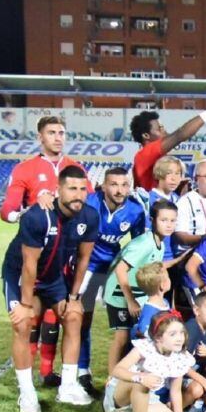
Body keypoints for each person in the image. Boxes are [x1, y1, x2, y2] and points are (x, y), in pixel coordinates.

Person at [0, 115, 94, 388]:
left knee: (60, 317)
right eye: (51, 132)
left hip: (63, 260)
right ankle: (26, 385)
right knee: (29, 320)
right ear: (40, 137)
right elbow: (7, 211)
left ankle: (49, 373)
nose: (57, 137)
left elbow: (86, 206)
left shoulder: (75, 168)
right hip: (33, 254)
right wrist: (31, 209)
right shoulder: (25, 169)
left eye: (61, 132)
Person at [77, 167, 147, 395]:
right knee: (83, 319)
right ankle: (81, 371)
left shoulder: (135, 210)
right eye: (114, 184)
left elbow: (138, 245)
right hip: (88, 269)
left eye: (124, 185)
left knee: (125, 324)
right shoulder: (89, 203)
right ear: (104, 186)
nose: (119, 190)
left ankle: (123, 377)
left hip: (113, 270)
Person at [103, 200, 181, 392]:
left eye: (172, 220)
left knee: (135, 337)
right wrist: (129, 300)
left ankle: (129, 378)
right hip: (119, 294)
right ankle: (111, 379)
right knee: (121, 337)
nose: (169, 224)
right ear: (153, 220)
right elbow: (121, 270)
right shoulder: (144, 243)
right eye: (164, 220)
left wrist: (183, 258)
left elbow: (159, 266)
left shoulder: (160, 244)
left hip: (137, 296)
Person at [107, 313, 193, 412]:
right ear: (158, 337)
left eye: (181, 333)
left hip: (148, 398)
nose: (180, 338)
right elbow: (117, 370)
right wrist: (139, 377)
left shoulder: (181, 357)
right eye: (173, 334)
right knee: (144, 382)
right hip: (123, 393)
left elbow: (176, 392)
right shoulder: (144, 348)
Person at [130, 106, 206, 191]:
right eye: (160, 129)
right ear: (146, 135)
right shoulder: (145, 154)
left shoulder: (154, 158)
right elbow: (180, 134)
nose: (164, 131)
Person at [128, 262, 172, 341]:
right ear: (162, 285)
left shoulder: (165, 302)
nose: (170, 279)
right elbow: (143, 335)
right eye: (168, 277)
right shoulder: (149, 312)